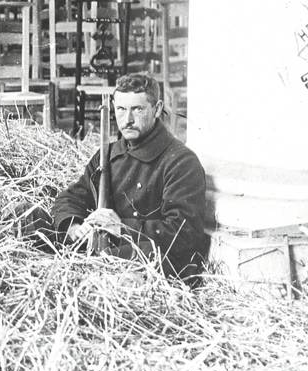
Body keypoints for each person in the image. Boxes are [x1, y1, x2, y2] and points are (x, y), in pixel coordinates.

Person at [49, 73, 209, 282]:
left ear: (158, 109)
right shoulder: (108, 154)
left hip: (143, 259)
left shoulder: (180, 161)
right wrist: (74, 228)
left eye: (138, 109)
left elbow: (182, 232)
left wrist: (122, 228)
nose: (128, 120)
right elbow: (70, 198)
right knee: (28, 215)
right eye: (121, 110)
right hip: (97, 249)